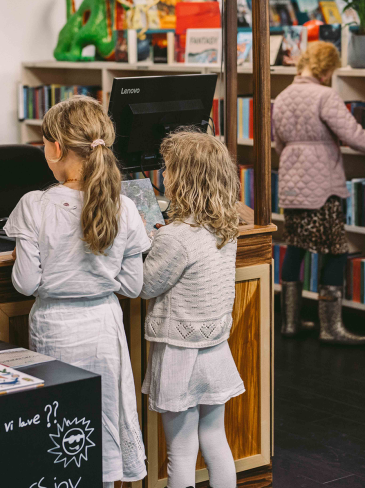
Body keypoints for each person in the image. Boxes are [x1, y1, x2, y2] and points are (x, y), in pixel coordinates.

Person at [5, 96, 149, 488]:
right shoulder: (125, 207)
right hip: (104, 326)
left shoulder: (34, 206)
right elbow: (133, 285)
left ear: (55, 149)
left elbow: (26, 283)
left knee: (63, 430)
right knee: (105, 417)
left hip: (55, 328)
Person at [273, 42, 365, 344]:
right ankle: (331, 328)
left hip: (290, 185)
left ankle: (289, 323)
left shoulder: (283, 96)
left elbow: (278, 144)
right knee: (337, 252)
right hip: (322, 187)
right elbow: (353, 135)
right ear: (325, 69)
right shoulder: (325, 95)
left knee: (295, 247)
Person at [141, 130, 243, 488]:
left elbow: (144, 286)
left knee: (181, 451)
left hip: (179, 355)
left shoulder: (175, 237)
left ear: (183, 180)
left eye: (168, 169)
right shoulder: (226, 228)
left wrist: (145, 242)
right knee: (215, 439)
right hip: (215, 349)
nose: (163, 175)